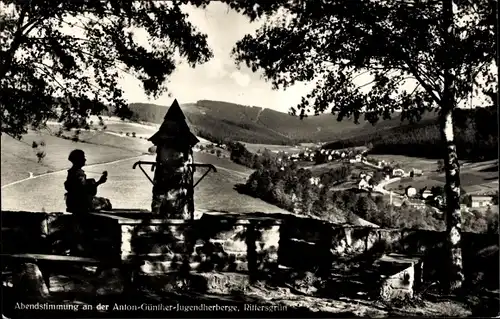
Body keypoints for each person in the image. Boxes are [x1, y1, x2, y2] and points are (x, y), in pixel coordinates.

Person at [64, 149, 110, 255]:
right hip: (81, 205)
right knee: (106, 203)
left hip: (74, 203)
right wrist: (99, 182)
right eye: (83, 157)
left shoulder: (72, 172)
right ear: (79, 159)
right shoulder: (79, 173)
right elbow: (83, 189)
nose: (85, 159)